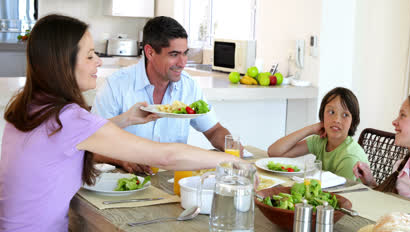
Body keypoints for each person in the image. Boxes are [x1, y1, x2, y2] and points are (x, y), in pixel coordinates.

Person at [0, 14, 242, 231]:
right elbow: (165, 157)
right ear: (64, 63)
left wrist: (126, 119)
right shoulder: (68, 118)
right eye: (90, 55)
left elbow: (83, 138)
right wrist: (232, 160)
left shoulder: (31, 106)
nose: (99, 61)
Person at [92, 16, 242, 173]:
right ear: (150, 52)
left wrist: (232, 148)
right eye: (174, 54)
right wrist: (121, 159)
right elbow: (90, 144)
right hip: (126, 181)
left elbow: (214, 130)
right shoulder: (116, 85)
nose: (182, 62)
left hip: (172, 179)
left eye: (185, 53)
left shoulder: (189, 86)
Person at [268, 87, 369, 180]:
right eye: (331, 112)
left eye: (345, 115)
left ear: (353, 122)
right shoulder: (321, 142)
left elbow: (343, 193)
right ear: (322, 114)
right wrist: (311, 129)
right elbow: (274, 152)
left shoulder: (350, 157)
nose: (337, 120)